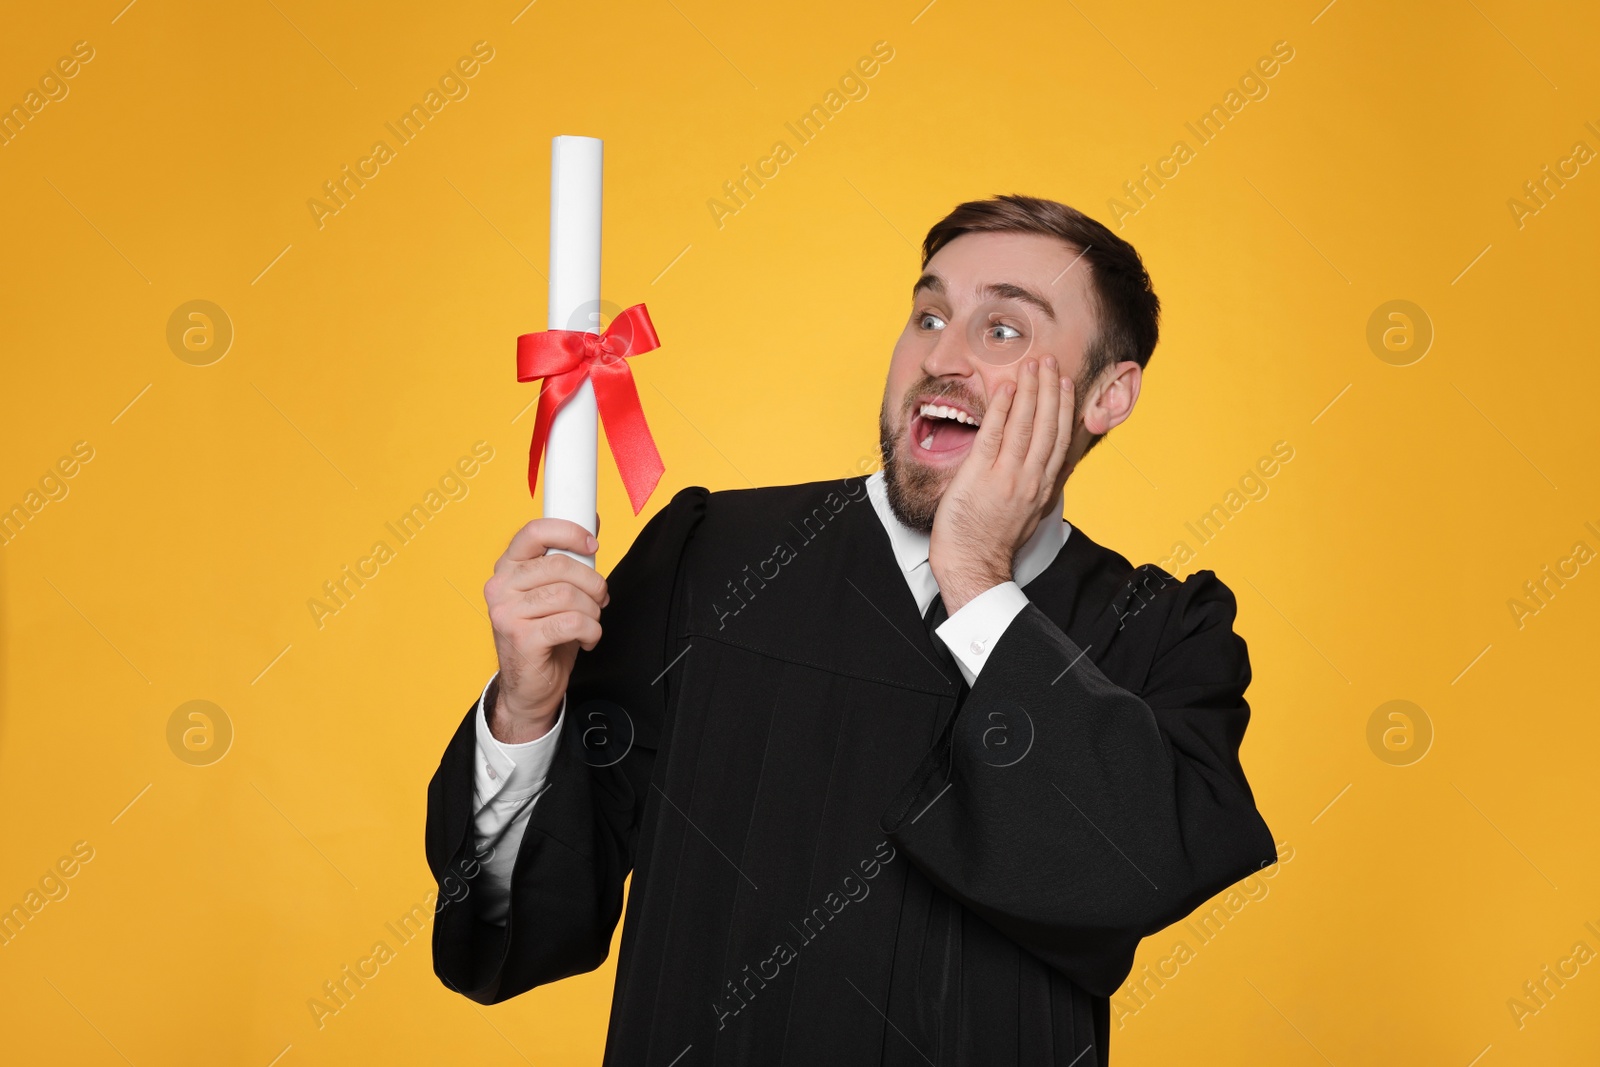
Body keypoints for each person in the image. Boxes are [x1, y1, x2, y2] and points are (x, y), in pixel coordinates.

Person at [425, 194, 1277, 1065]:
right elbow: (524, 922)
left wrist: (977, 577)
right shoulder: (715, 561)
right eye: (929, 314)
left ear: (1108, 393)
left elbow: (1132, 875)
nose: (941, 356)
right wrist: (526, 717)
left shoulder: (1160, 633)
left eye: (1004, 330)